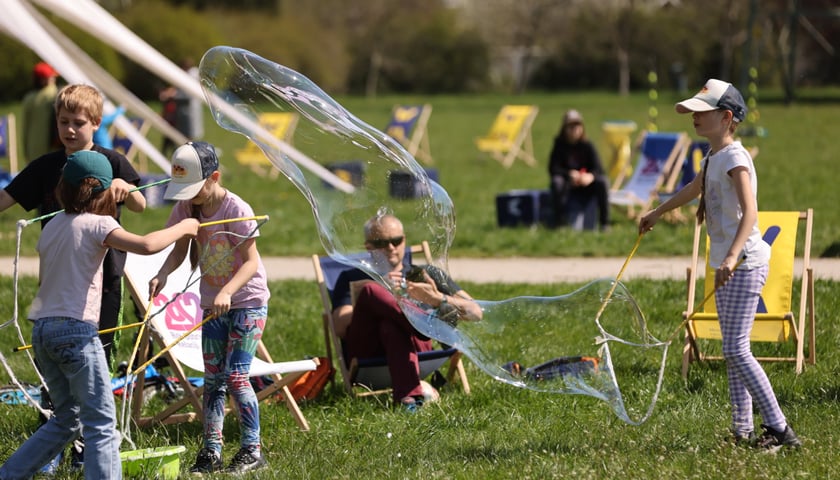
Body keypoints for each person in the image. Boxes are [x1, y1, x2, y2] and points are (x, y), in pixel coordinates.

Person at [0, 150, 199, 480]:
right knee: (102, 423)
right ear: (105, 192)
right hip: (76, 332)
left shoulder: (52, 226)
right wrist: (184, 226)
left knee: (67, 419)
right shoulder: (100, 223)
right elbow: (148, 245)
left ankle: (9, 474)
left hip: (43, 332)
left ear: (62, 189)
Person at [638, 79, 801, 450]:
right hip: (727, 264)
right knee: (733, 349)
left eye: (702, 111)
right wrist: (658, 212)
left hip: (744, 264)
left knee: (736, 350)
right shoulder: (712, 156)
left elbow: (751, 213)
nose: (694, 117)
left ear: (726, 117)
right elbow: (695, 188)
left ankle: (779, 429)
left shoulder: (736, 158)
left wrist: (731, 255)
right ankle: (742, 430)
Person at [1, 84, 147, 367]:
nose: (69, 130)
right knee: (55, 346)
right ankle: (54, 403)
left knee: (99, 347)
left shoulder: (113, 161)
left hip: (103, 274)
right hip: (57, 274)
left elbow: (140, 205)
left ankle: (95, 400)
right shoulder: (46, 166)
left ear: (96, 123)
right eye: (63, 122)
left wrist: (125, 187)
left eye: (78, 123)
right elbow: (6, 197)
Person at [149, 141, 270, 475]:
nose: (189, 197)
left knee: (235, 376)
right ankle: (211, 451)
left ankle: (252, 449)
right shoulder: (187, 208)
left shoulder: (236, 209)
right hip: (212, 304)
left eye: (194, 189)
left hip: (247, 303)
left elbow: (250, 262)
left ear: (214, 177)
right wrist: (162, 273)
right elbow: (178, 250)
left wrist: (228, 290)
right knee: (213, 380)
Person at [330, 214, 482, 412]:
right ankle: (417, 323)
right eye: (381, 242)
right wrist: (383, 290)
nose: (391, 247)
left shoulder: (426, 275)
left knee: (390, 327)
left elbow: (476, 312)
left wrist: (438, 299)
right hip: (368, 352)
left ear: (404, 240)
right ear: (368, 246)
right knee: (371, 291)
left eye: (396, 241)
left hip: (416, 350)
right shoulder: (352, 276)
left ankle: (408, 399)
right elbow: (341, 327)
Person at [547, 109, 611, 230]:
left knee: (603, 182)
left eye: (577, 126)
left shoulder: (587, 145)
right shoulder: (559, 146)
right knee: (556, 182)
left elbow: (599, 168)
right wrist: (569, 174)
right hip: (568, 186)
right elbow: (553, 168)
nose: (574, 129)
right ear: (564, 129)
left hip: (586, 185)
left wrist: (590, 176)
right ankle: (559, 222)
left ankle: (605, 223)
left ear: (582, 128)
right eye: (570, 126)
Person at [159, 58, 204, 155]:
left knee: (189, 136)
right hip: (184, 112)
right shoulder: (188, 76)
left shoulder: (192, 76)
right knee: (183, 136)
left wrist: (172, 95)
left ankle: (190, 154)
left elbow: (188, 94)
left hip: (189, 111)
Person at [21, 62, 60, 164]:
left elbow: (25, 128)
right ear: (43, 80)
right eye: (52, 78)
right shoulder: (52, 94)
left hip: (32, 148)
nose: (54, 80)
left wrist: (25, 150)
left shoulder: (28, 98)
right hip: (52, 148)